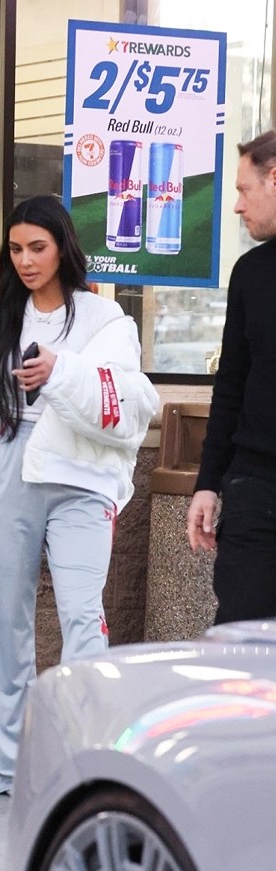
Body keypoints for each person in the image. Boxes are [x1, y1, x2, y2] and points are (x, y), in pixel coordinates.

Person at [0, 195, 158, 794]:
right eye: (15, 249)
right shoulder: (0, 320)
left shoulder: (105, 320)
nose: (25, 260)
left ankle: (88, 759)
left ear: (63, 247)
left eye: (37, 247)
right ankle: (7, 765)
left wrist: (59, 372)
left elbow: (128, 401)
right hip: (7, 470)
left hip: (78, 479)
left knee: (81, 615)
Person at [187, 130, 276, 623]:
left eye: (244, 190)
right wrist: (208, 484)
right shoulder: (250, 272)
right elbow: (231, 386)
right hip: (256, 484)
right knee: (243, 633)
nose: (238, 207)